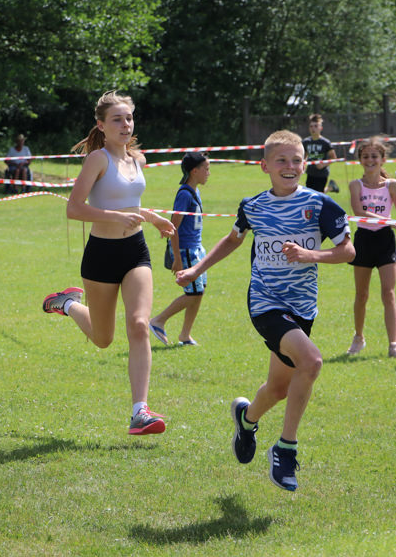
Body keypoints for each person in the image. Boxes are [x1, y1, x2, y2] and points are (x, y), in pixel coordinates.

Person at [177, 130, 355, 492]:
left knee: (277, 389)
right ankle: (285, 450)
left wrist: (311, 255)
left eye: (296, 160)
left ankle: (247, 418)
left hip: (303, 308)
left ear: (305, 164)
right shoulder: (253, 205)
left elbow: (348, 252)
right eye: (282, 161)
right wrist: (197, 270)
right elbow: (232, 239)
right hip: (265, 303)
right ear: (265, 167)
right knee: (312, 361)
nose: (290, 167)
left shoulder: (321, 205)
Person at [41, 91, 175, 435]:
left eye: (129, 118)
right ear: (101, 125)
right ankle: (68, 303)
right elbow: (74, 208)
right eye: (117, 119)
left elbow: (132, 204)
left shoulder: (138, 159)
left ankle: (140, 411)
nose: (125, 124)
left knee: (140, 324)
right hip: (101, 255)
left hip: (135, 252)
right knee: (103, 339)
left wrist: (155, 218)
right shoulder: (97, 160)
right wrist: (116, 216)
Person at [346, 137, 396, 358]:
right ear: (360, 160)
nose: (370, 160)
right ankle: (358, 338)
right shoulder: (355, 185)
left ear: (383, 159)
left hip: (385, 241)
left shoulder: (392, 185)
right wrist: (389, 221)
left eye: (374, 156)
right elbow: (358, 212)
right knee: (361, 295)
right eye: (366, 156)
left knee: (388, 294)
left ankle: (394, 345)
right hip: (363, 240)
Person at [149, 152, 210, 347]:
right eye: (206, 169)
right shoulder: (184, 194)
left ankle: (185, 335)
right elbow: (172, 228)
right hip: (186, 251)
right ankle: (158, 320)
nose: (209, 173)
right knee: (193, 293)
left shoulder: (195, 191)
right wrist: (177, 257)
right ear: (194, 171)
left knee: (199, 292)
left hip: (197, 249)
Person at [301, 114, 339, 193]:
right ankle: (331, 187)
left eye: (315, 126)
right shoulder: (306, 142)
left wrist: (323, 164)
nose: (313, 128)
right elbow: (305, 155)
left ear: (320, 128)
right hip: (310, 172)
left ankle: (330, 188)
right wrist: (303, 163)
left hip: (322, 173)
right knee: (311, 194)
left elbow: (334, 158)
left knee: (319, 195)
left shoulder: (325, 142)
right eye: (311, 126)